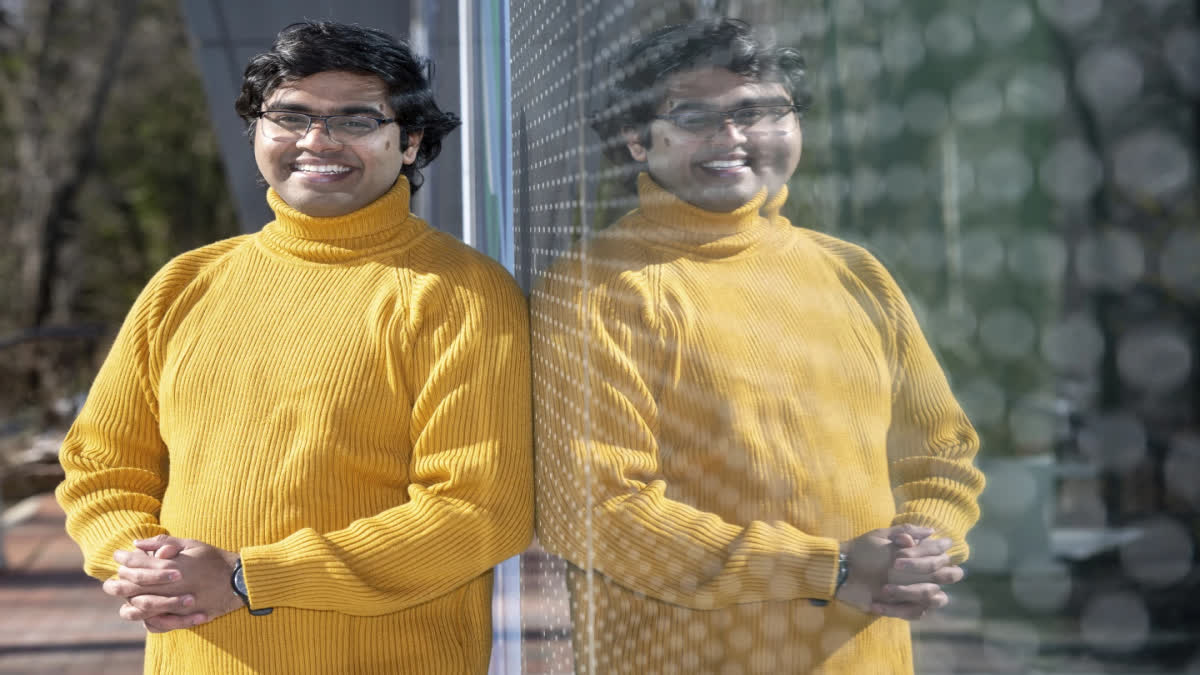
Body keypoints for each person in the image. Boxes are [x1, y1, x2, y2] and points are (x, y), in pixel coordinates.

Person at [56, 21, 532, 675]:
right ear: (257, 130)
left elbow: (478, 511)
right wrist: (144, 563)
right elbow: (104, 467)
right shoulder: (183, 284)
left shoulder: (461, 295)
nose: (317, 141)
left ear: (411, 141)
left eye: (355, 120)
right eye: (291, 116)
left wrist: (249, 577)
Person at [532, 18, 984, 674]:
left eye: (760, 111)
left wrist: (923, 543)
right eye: (694, 116)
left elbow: (941, 449)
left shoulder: (855, 274)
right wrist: (832, 568)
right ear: (635, 139)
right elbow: (600, 514)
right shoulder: (594, 292)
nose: (732, 138)